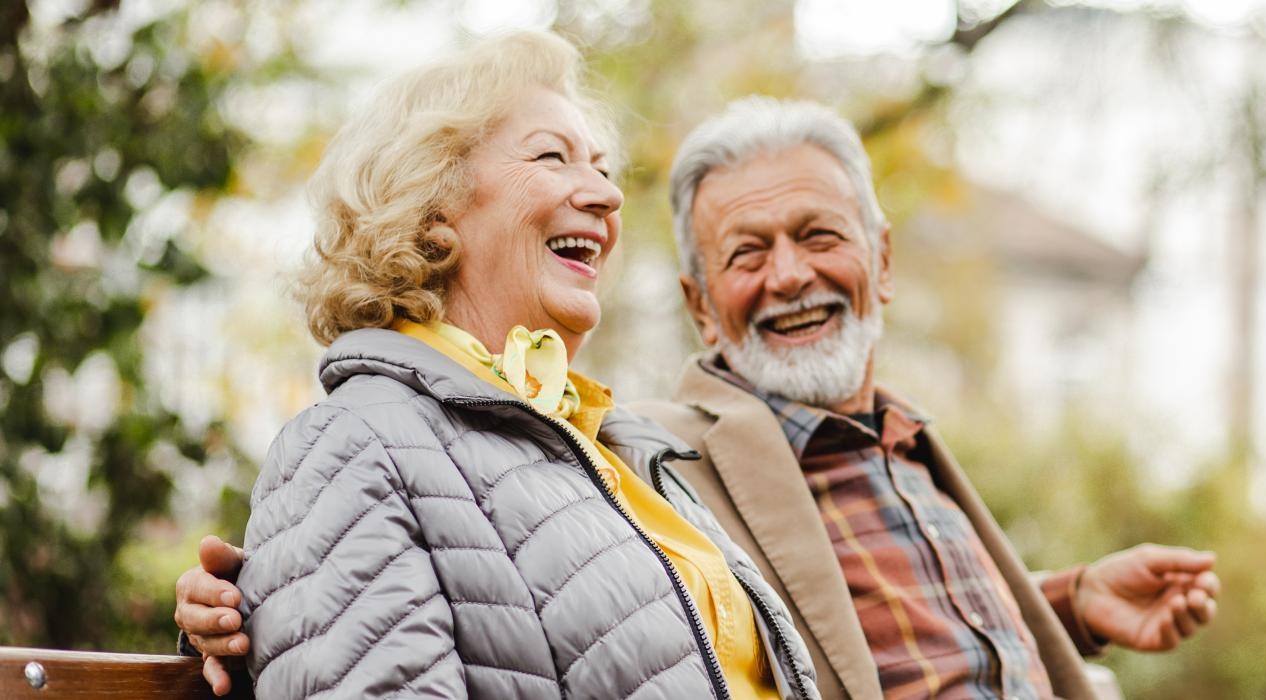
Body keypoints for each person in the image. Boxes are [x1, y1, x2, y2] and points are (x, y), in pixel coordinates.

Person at [178, 96, 1219, 699]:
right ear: (698, 304)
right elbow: (370, 546)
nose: (790, 277)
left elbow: (872, 616)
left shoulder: (904, 440)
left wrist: (1069, 602)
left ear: (882, 259)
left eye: (818, 237)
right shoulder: (654, 456)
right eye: (747, 253)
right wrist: (232, 608)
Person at [193, 33, 818, 699]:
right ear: (433, 210)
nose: (607, 197)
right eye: (553, 157)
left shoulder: (611, 446)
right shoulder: (348, 446)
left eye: (603, 169)